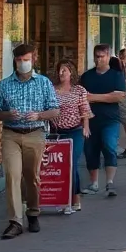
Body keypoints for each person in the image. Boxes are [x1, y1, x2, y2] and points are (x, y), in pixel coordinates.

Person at [0, 43, 60, 239]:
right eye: (20, 60)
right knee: (12, 175)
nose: (23, 64)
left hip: (34, 133)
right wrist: (7, 114)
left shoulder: (43, 83)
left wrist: (39, 115)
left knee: (32, 176)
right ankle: (15, 221)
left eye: (26, 60)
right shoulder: (4, 85)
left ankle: (33, 212)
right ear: (15, 60)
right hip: (11, 134)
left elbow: (55, 109)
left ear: (34, 59)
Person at [80, 44, 126, 198]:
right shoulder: (87, 76)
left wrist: (93, 97)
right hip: (90, 121)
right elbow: (81, 97)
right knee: (90, 151)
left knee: (109, 146)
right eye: (96, 56)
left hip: (110, 120)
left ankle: (110, 182)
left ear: (108, 57)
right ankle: (94, 183)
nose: (99, 59)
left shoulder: (116, 75)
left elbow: (119, 96)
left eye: (102, 56)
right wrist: (107, 96)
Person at [52, 59, 90, 213]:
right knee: (60, 166)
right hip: (57, 133)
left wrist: (86, 127)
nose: (62, 73)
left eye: (65, 70)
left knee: (71, 164)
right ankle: (65, 199)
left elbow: (84, 109)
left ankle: (74, 199)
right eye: (60, 70)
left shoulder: (79, 90)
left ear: (71, 73)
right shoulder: (52, 89)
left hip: (75, 131)